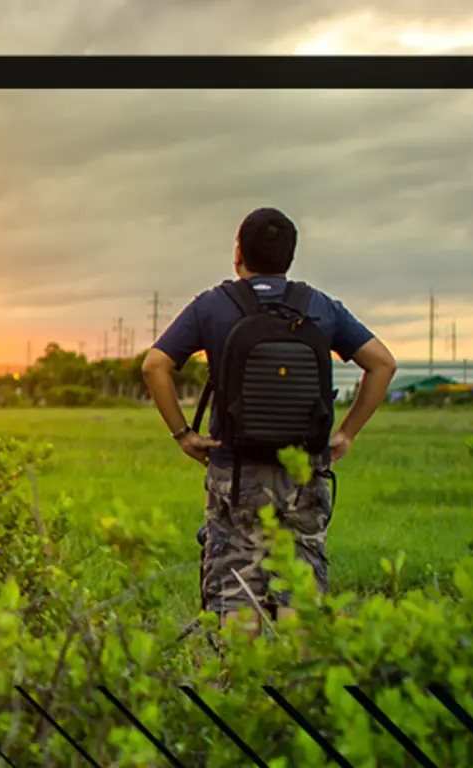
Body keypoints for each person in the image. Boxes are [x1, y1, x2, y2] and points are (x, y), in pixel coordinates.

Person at [141, 207, 397, 634]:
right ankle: (297, 691)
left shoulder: (213, 305)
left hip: (234, 472)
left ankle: (242, 694)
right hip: (304, 472)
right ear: (290, 257)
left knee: (236, 594)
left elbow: (155, 365)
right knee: (300, 593)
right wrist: (346, 434)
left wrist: (184, 434)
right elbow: (383, 364)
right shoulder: (319, 306)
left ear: (238, 251)